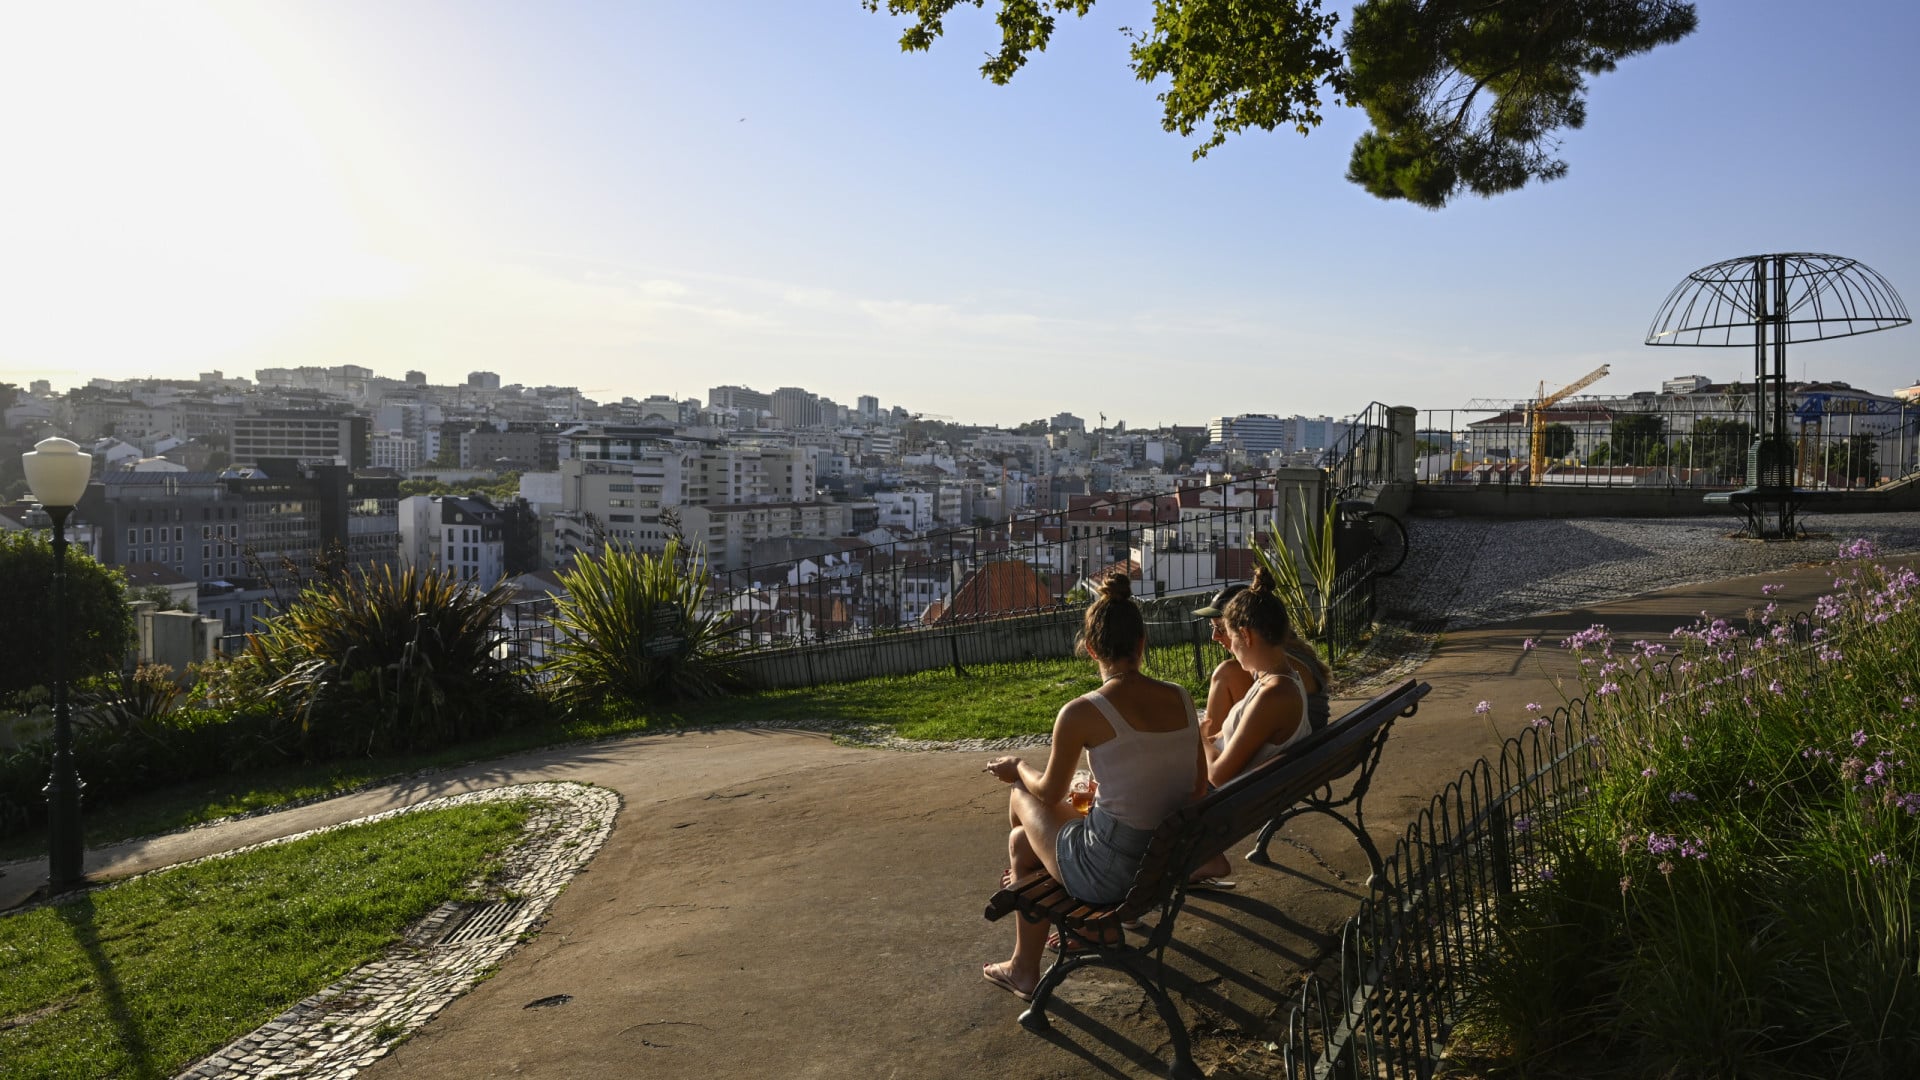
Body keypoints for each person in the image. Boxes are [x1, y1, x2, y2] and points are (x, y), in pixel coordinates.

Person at [981, 570, 1205, 1002]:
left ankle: (1030, 961)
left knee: (1021, 798)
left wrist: (1017, 766)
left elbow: (1046, 792)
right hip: (1164, 863)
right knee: (1021, 842)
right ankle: (1053, 940)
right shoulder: (1180, 696)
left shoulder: (1081, 712)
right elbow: (1199, 785)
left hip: (1111, 876)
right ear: (1143, 643)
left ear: (1090, 649)